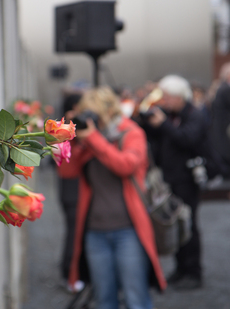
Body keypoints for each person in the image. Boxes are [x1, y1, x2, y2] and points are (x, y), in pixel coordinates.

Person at [58, 87, 166, 309]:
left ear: (108, 111)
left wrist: (94, 138)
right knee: (105, 300)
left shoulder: (131, 133)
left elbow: (125, 166)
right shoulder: (90, 138)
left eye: (93, 113)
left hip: (128, 230)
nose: (90, 119)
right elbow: (66, 172)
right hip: (95, 232)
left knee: (136, 298)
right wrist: (68, 138)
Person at [144, 75, 205, 289]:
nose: (165, 101)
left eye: (168, 97)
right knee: (175, 224)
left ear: (180, 97)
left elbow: (187, 139)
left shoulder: (195, 115)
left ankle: (193, 271)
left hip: (187, 179)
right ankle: (181, 269)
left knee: (189, 224)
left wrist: (164, 124)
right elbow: (155, 135)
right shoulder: (172, 115)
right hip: (170, 178)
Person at [57, 93, 82, 291]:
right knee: (74, 231)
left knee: (73, 230)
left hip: (70, 185)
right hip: (72, 184)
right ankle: (70, 273)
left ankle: (71, 272)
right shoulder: (66, 131)